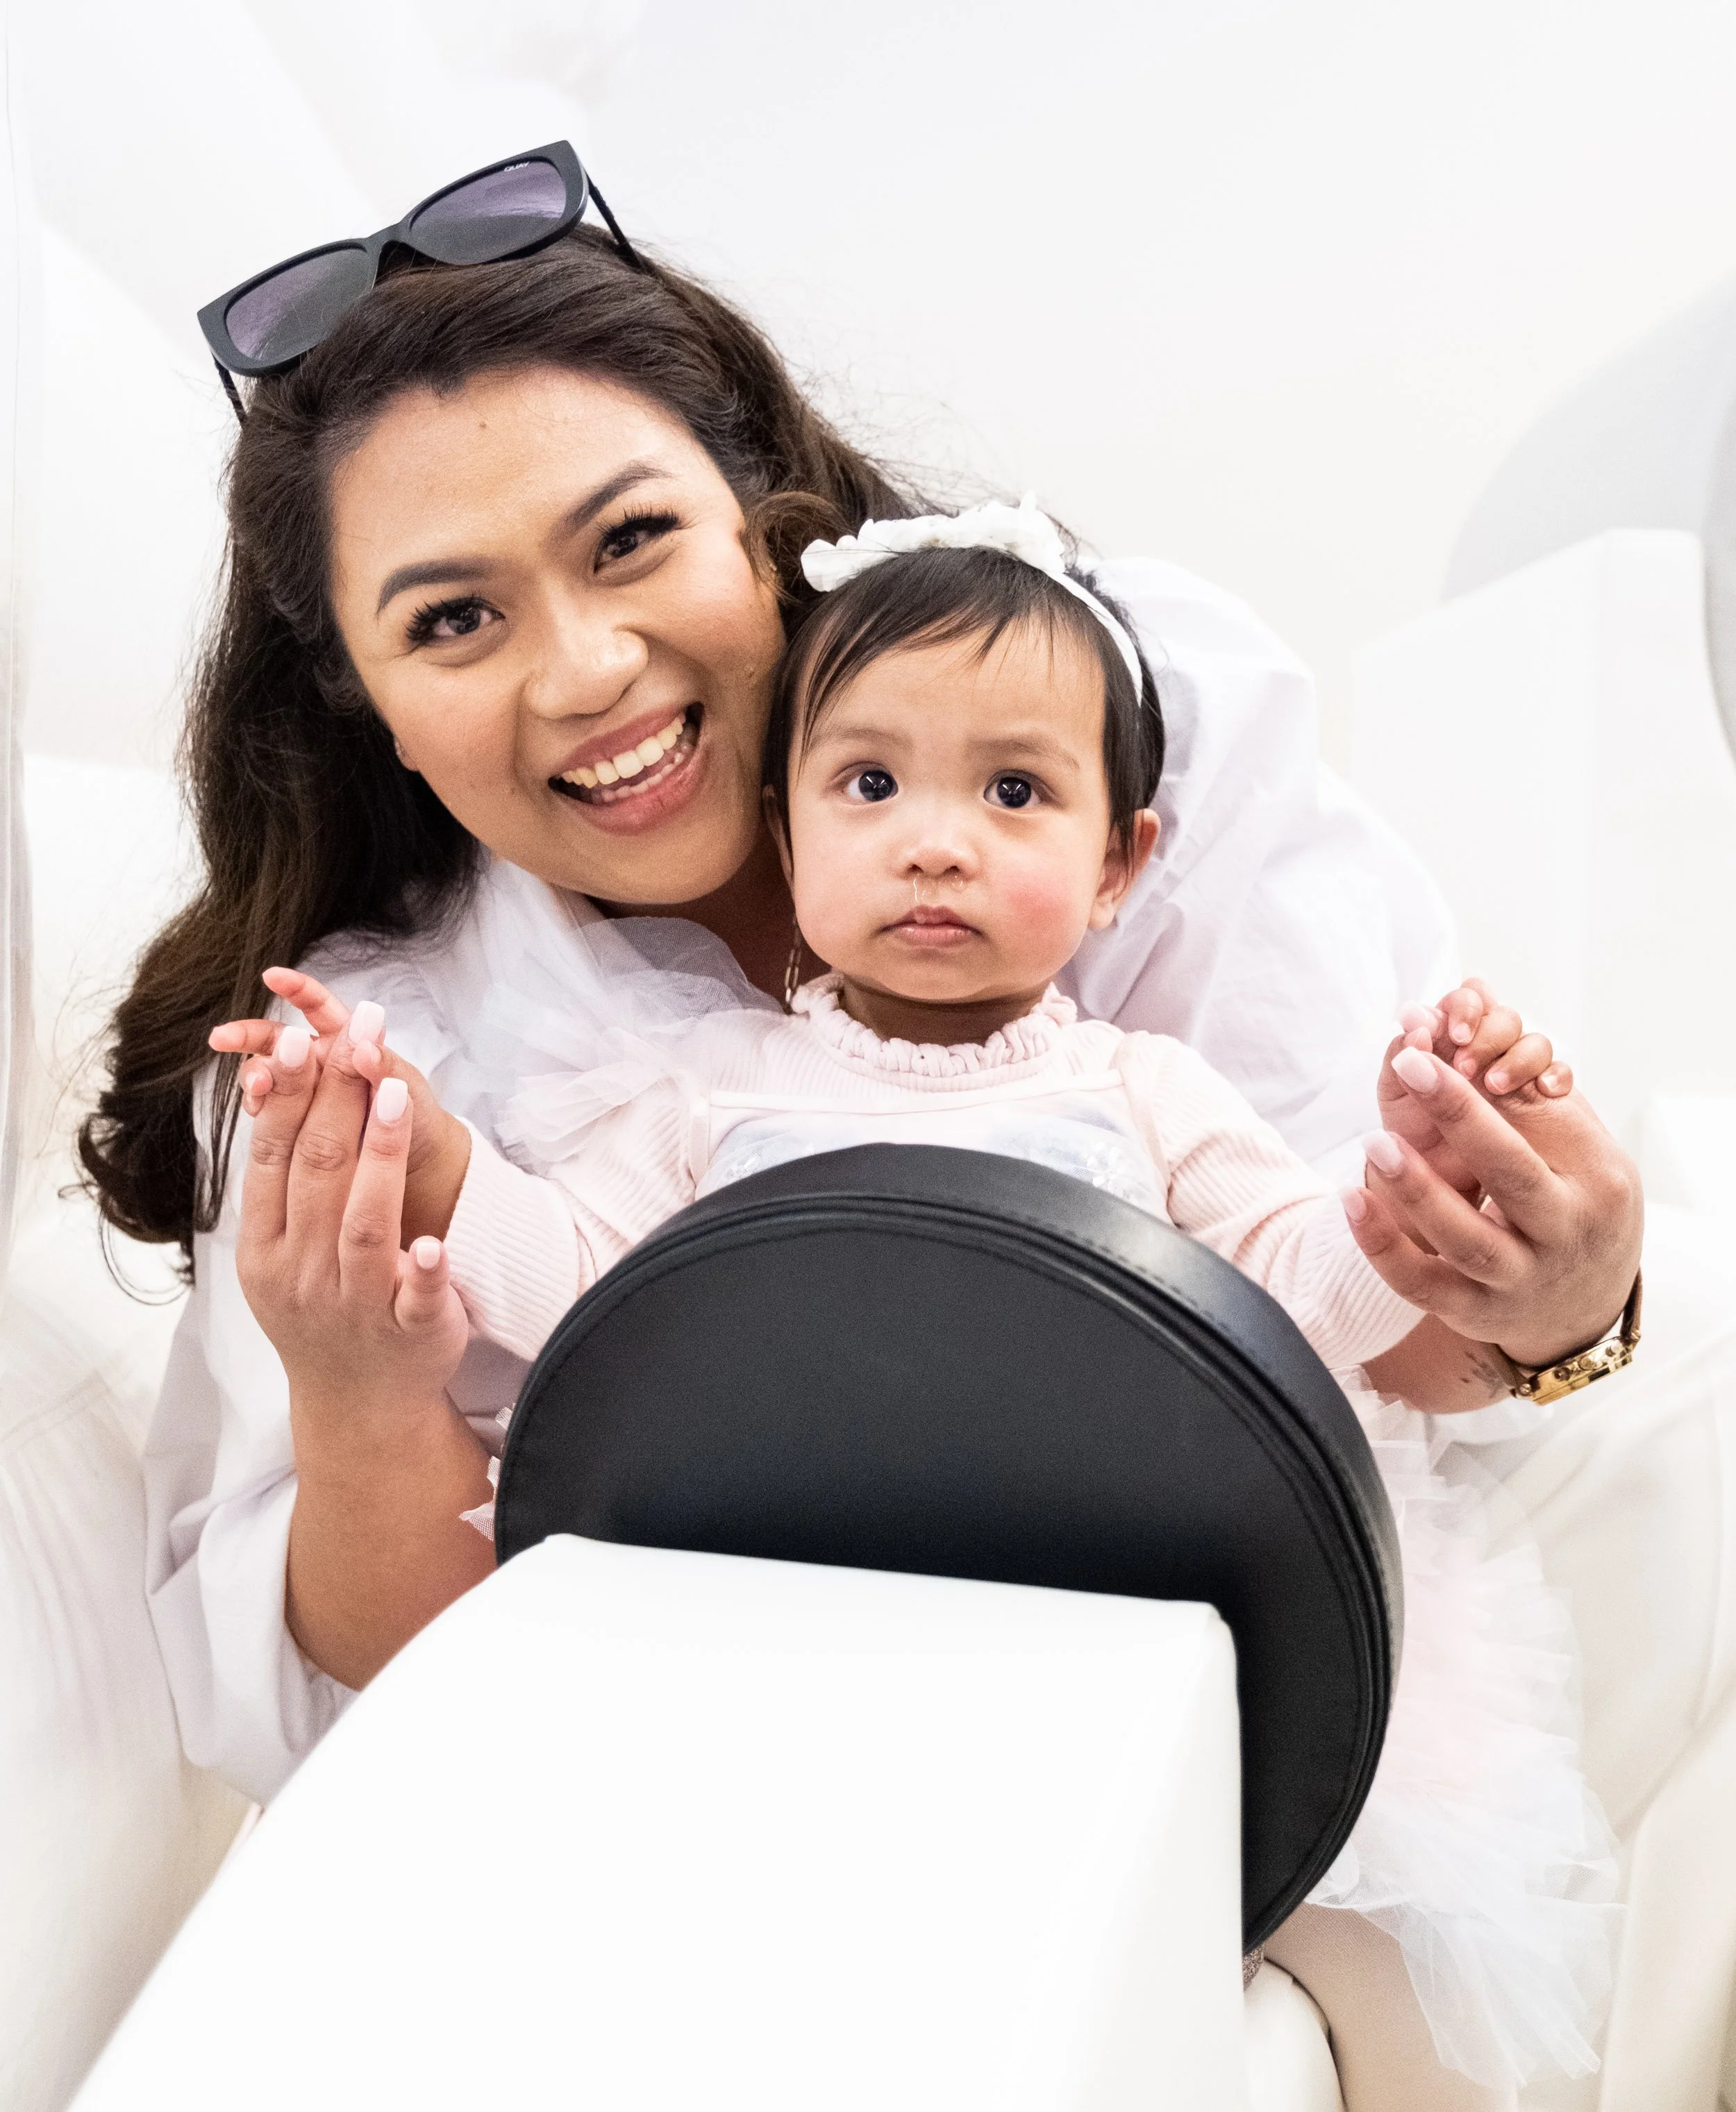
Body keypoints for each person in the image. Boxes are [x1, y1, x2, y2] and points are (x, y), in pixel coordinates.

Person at [76, 156, 1644, 2097]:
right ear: (373, 709)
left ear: (772, 525)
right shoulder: (375, 1059)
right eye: (454, 621)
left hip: (1201, 1654)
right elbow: (467, 1559)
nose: (582, 671)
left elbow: (1331, 1307)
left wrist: (1541, 1285)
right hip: (729, 1770)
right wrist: (354, 1380)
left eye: (634, 542)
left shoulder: (1093, 720)